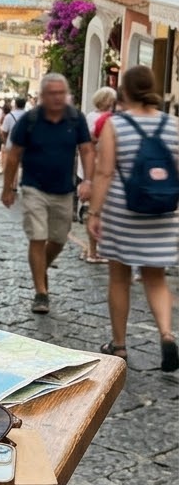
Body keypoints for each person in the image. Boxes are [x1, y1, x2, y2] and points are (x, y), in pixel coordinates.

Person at [87, 65, 179, 372]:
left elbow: (104, 171)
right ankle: (166, 334)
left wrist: (95, 212)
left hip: (123, 210)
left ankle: (120, 345)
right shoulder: (173, 124)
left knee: (119, 277)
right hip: (163, 212)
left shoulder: (116, 125)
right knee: (156, 277)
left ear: (124, 90)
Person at [1, 73, 93, 315]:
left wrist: (89, 181)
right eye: (52, 93)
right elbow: (13, 155)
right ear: (42, 96)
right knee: (37, 237)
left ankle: (39, 269)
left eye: (61, 93)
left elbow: (86, 149)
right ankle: (41, 293)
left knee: (59, 239)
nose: (57, 98)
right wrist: (8, 188)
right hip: (34, 188)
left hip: (64, 190)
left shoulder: (75, 119)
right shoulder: (30, 120)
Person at [80, 86, 117, 262]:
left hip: (92, 167)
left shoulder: (91, 117)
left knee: (95, 210)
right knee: (97, 210)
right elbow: (92, 141)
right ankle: (93, 252)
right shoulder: (103, 119)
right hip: (98, 167)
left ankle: (91, 249)